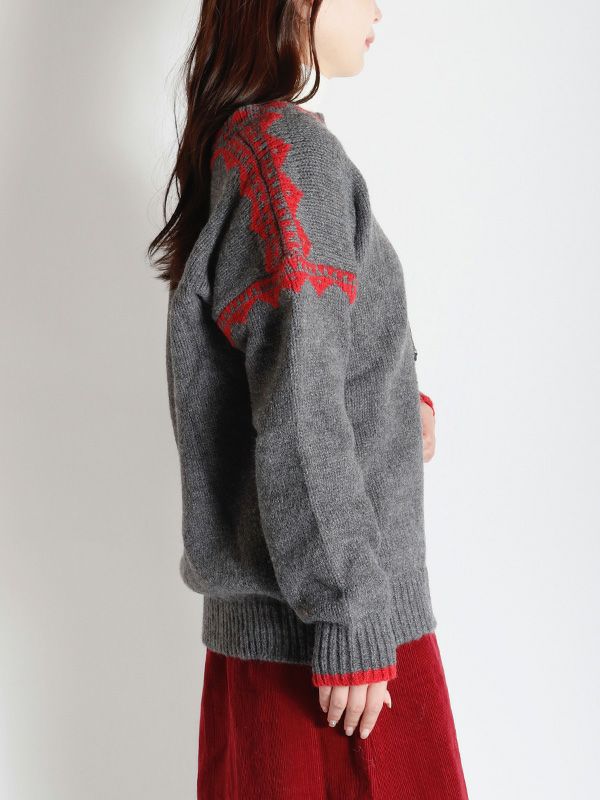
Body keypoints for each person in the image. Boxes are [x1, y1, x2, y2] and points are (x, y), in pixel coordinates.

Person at [149, 0, 469, 797]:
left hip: (276, 650)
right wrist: (350, 614)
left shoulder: (247, 150)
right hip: (336, 663)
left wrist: (392, 405)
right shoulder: (292, 161)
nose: (379, 8)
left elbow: (290, 371)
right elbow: (300, 406)